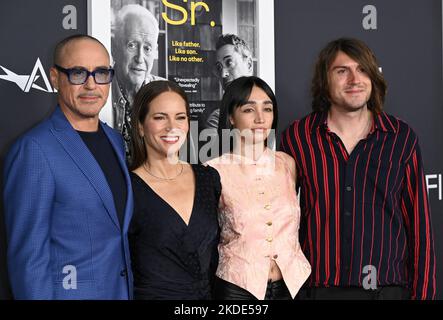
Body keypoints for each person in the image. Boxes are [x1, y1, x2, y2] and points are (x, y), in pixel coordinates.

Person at [280, 38, 436, 300]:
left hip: (386, 289)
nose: (355, 79)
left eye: (362, 69)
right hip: (318, 288)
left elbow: (420, 228)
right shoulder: (298, 137)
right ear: (324, 81)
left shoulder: (401, 137)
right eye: (342, 71)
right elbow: (279, 218)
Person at [3, 34, 133, 299]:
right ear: (54, 77)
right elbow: (28, 260)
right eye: (77, 73)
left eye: (101, 73)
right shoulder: (34, 150)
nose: (91, 85)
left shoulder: (116, 141)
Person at [206, 76, 311, 300]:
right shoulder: (213, 171)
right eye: (248, 110)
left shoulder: (287, 164)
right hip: (238, 289)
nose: (260, 118)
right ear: (231, 117)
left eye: (267, 108)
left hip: (293, 285)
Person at [128, 80, 221, 300]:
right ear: (140, 126)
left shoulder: (208, 178)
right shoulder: (126, 188)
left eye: (180, 117)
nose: (172, 127)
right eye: (160, 117)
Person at [112, 4, 165, 158]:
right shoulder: (98, 91)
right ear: (114, 48)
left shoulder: (166, 93)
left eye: (147, 48)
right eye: (132, 45)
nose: (140, 58)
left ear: (155, 51)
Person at [205, 34, 254, 129]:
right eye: (219, 67)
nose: (223, 74)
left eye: (229, 63)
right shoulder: (217, 120)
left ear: (249, 65)